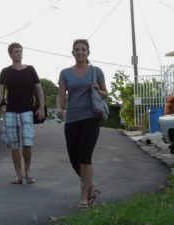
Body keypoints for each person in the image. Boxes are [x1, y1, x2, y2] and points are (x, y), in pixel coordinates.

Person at [56, 39, 108, 208]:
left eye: (83, 49)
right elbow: (61, 94)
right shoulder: (65, 73)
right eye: (77, 49)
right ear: (73, 53)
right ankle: (91, 185)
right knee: (74, 160)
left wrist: (98, 89)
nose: (80, 52)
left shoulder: (96, 71)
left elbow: (105, 94)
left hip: (90, 117)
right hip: (72, 119)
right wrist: (59, 107)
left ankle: (84, 197)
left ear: (88, 53)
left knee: (85, 158)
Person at [0, 42, 45, 184]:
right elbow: (1, 93)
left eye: (20, 51)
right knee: (14, 145)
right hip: (11, 112)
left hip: (27, 110)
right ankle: (18, 175)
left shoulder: (30, 70)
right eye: (16, 51)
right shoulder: (5, 72)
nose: (19, 54)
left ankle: (28, 172)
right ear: (10, 54)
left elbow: (39, 89)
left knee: (27, 143)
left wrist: (41, 107)